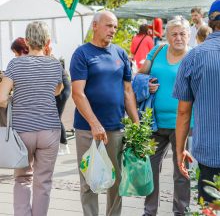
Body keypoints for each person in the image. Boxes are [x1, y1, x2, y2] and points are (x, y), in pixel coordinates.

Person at [70, 11, 139, 216]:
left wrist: (136, 123)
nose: (113, 30)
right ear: (95, 26)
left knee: (116, 181)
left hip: (116, 128)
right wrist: (94, 124)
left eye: (115, 27)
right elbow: (77, 93)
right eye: (109, 26)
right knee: (89, 181)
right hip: (86, 130)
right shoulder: (82, 54)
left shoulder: (120, 53)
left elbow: (128, 91)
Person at [0, 21, 63, 216]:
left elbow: (1, 99)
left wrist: (15, 97)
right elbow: (57, 91)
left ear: (26, 41)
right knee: (43, 182)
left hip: (22, 132)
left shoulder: (15, 64)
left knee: (22, 179)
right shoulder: (55, 64)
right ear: (48, 41)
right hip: (50, 130)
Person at [139, 16, 191, 216]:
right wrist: (146, 84)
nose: (178, 37)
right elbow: (140, 74)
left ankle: (181, 212)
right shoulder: (157, 50)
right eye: (174, 33)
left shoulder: (194, 56)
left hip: (184, 124)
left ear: (188, 36)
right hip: (155, 121)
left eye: (182, 34)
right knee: (150, 169)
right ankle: (149, 212)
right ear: (167, 35)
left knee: (181, 172)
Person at [173, 0, 220, 203]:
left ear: (209, 23)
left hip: (209, 153)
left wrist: (180, 148)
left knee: (211, 208)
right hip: (209, 152)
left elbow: (184, 111)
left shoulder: (193, 58)